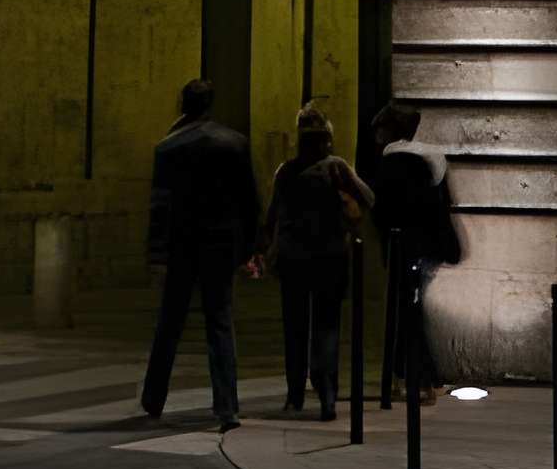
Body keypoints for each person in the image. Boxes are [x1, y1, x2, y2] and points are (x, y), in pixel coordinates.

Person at [141, 78, 261, 429]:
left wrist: (156, 254)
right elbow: (248, 201)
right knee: (220, 324)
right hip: (221, 246)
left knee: (169, 324)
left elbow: (160, 206)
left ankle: (154, 398)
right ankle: (227, 406)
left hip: (182, 245)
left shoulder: (167, 148)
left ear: (183, 104)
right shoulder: (234, 143)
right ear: (209, 105)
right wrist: (250, 247)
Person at [263, 106, 372, 422]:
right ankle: (327, 396)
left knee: (294, 328)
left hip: (294, 258)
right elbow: (368, 197)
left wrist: (267, 249)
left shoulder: (286, 171)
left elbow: (272, 216)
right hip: (330, 258)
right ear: (327, 138)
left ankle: (294, 395)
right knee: (327, 328)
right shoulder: (335, 167)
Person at [372, 99, 460, 405]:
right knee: (409, 309)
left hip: (403, 246)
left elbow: (382, 210)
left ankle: (425, 378)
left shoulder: (392, 161)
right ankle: (400, 374)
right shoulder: (433, 158)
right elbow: (444, 203)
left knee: (406, 313)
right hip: (428, 246)